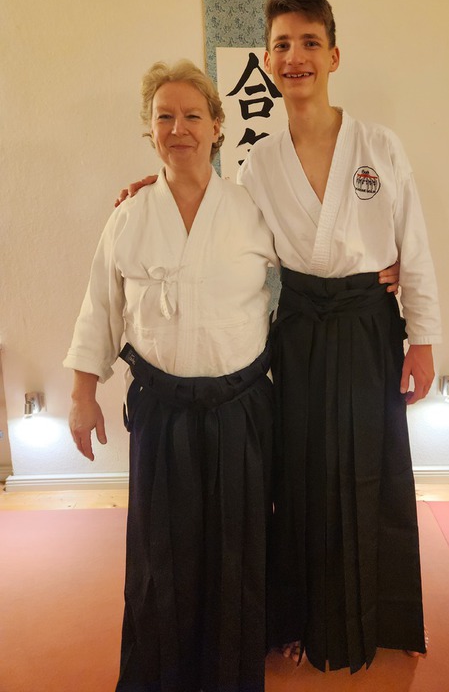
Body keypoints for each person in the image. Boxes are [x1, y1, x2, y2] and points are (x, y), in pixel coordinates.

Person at [236, 0, 442, 672]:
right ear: (268, 60)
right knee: (297, 473)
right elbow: (228, 238)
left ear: (334, 56)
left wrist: (423, 339)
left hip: (365, 325)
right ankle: (299, 619)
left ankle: (372, 617)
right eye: (282, 45)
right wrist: (158, 186)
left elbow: (414, 245)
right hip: (299, 327)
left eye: (309, 43)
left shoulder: (378, 145)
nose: (295, 57)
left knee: (368, 467)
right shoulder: (259, 163)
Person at [64, 60, 278, 692]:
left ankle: (231, 676)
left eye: (192, 116)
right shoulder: (129, 216)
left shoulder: (253, 210)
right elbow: (100, 307)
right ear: (149, 129)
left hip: (240, 407)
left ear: (217, 127)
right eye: (164, 117)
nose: (178, 128)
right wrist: (82, 395)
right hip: (162, 410)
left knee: (235, 551)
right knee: (161, 552)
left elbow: (310, 273)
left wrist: (383, 273)